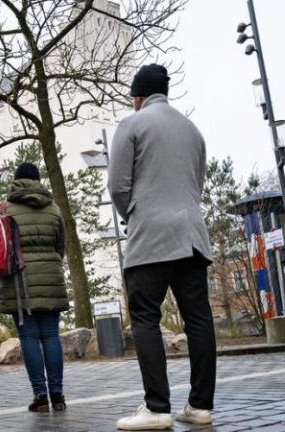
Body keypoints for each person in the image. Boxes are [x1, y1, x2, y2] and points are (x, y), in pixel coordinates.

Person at [109, 64, 216, 430]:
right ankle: (200, 406)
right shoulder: (192, 130)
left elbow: (118, 186)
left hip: (151, 237)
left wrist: (134, 215)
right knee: (198, 319)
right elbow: (197, 183)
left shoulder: (132, 124)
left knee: (145, 317)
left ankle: (156, 408)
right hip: (192, 237)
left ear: (138, 96)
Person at [0, 162, 69, 413]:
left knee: (28, 337)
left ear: (16, 180)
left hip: (19, 282)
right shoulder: (54, 207)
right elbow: (61, 246)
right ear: (38, 180)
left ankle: (40, 396)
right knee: (51, 335)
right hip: (51, 277)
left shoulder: (5, 208)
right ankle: (57, 395)